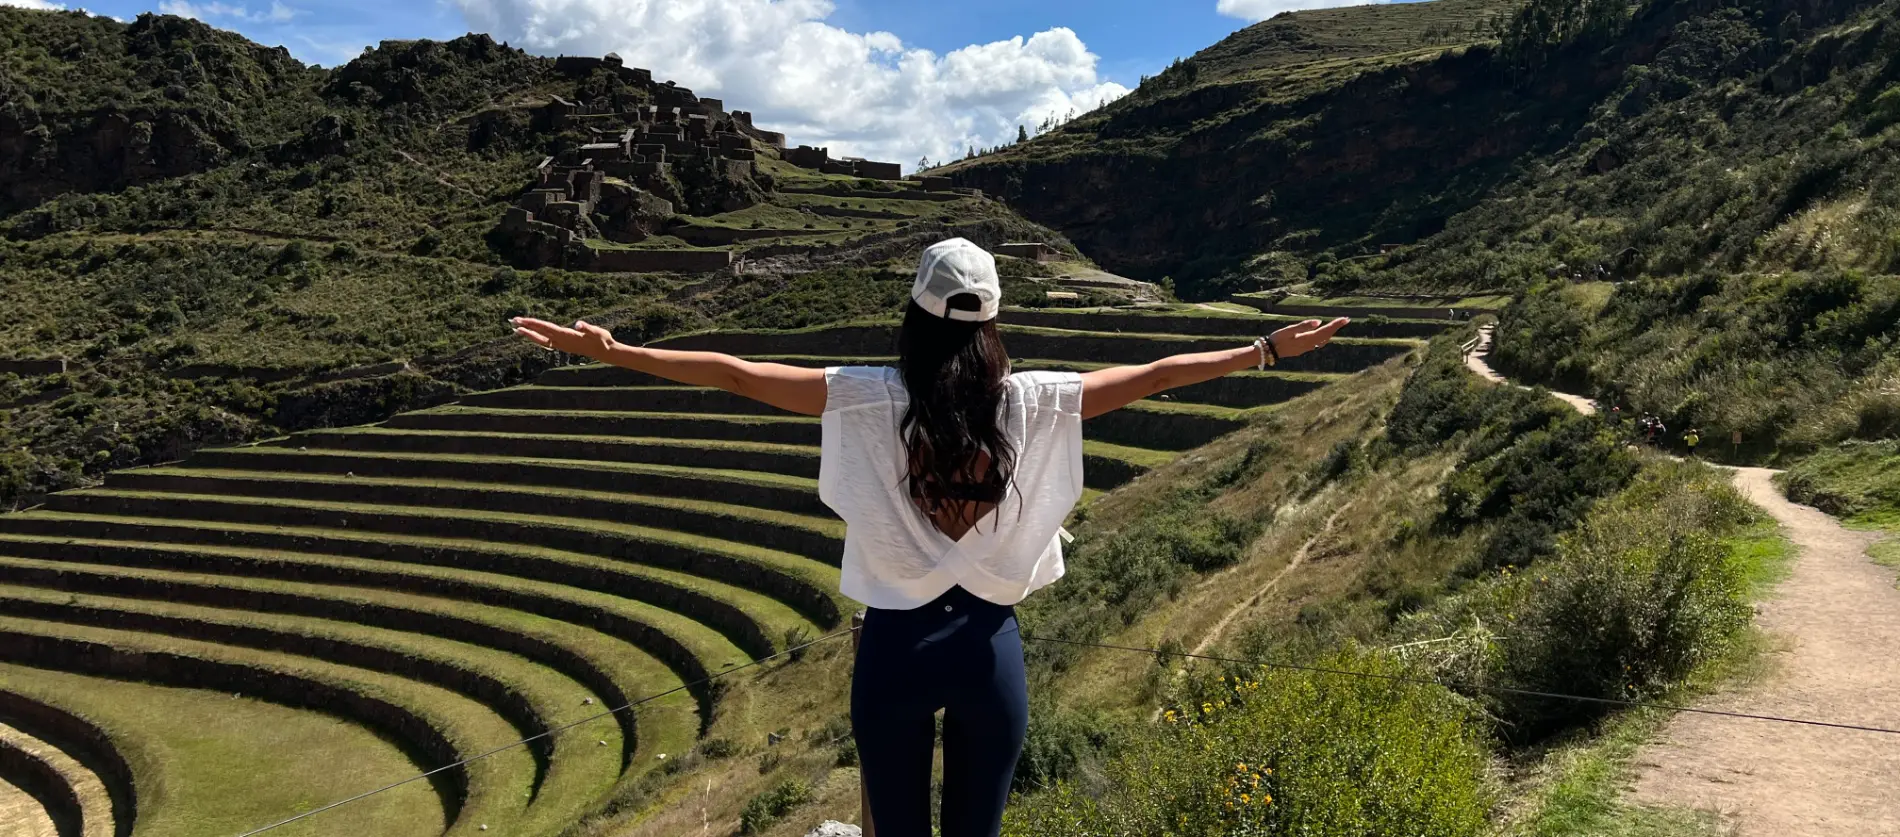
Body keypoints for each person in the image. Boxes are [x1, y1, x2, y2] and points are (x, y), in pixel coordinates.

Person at [510, 238, 1350, 837]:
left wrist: (620, 352)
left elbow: (735, 372)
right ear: (993, 326)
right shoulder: (1037, 400)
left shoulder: (864, 395)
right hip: (989, 649)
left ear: (912, 314)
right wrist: (1264, 350)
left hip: (895, 650)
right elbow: (1161, 374)